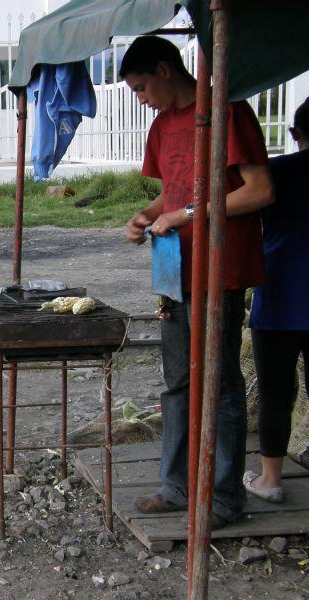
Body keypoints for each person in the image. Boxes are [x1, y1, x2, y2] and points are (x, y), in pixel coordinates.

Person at [121, 36, 274, 527]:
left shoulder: (228, 110)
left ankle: (225, 497)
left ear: (166, 70)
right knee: (178, 381)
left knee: (221, 383)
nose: (141, 98)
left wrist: (189, 214)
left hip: (221, 269)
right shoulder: (162, 125)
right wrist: (144, 217)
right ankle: (177, 486)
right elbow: (171, 193)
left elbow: (260, 190)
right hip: (173, 271)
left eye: (142, 87)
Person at [243, 97, 309, 503]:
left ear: (294, 134)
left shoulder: (277, 173)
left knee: (274, 391)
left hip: (281, 293)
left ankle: (271, 481)